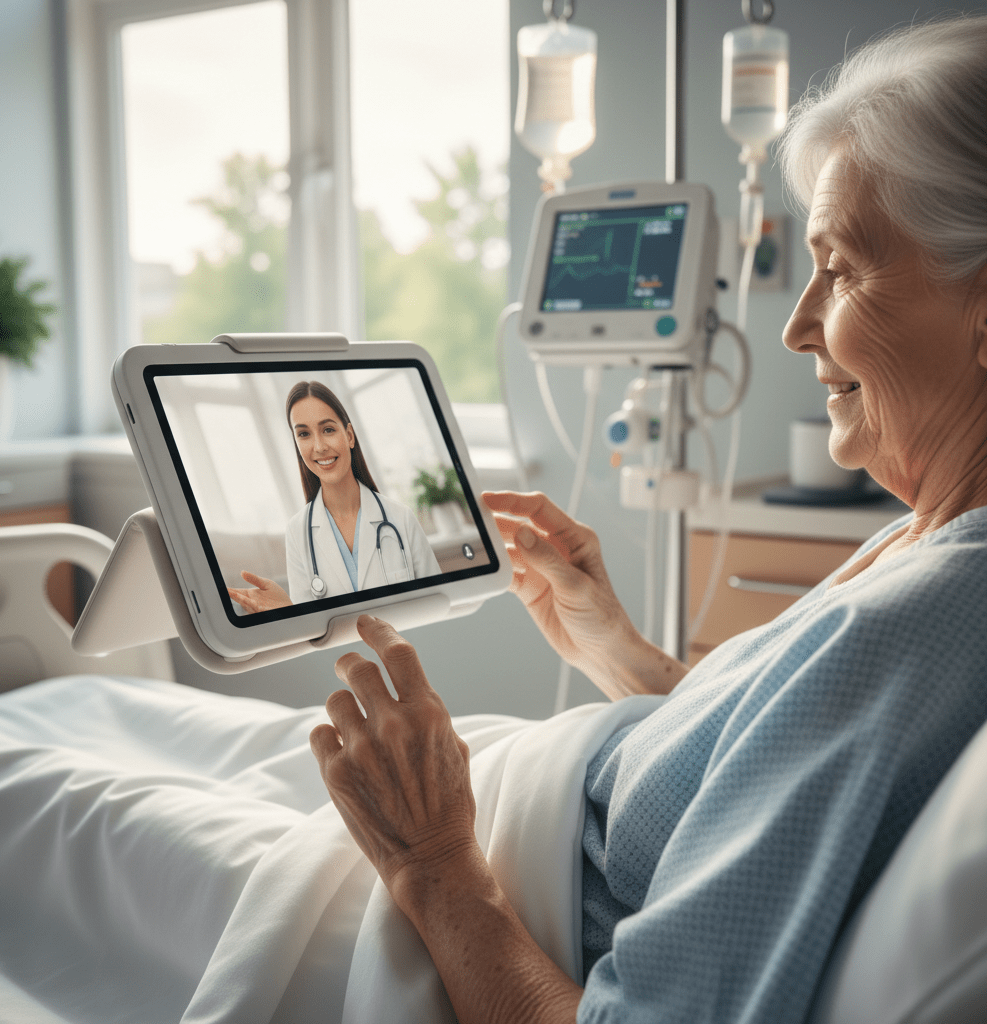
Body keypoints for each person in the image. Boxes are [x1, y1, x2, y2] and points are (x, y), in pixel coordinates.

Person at [306, 16, 987, 1024]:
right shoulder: (933, 541)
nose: (797, 325)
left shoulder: (918, 624)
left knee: (74, 781)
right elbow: (768, 755)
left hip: (464, 877)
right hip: (524, 799)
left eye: (841, 268)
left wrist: (431, 859)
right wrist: (620, 654)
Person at [227, 380, 440, 612]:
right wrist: (288, 610)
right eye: (304, 434)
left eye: (328, 430)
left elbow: (439, 606)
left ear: (349, 436)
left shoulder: (401, 519)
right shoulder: (298, 532)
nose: (319, 446)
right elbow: (311, 629)